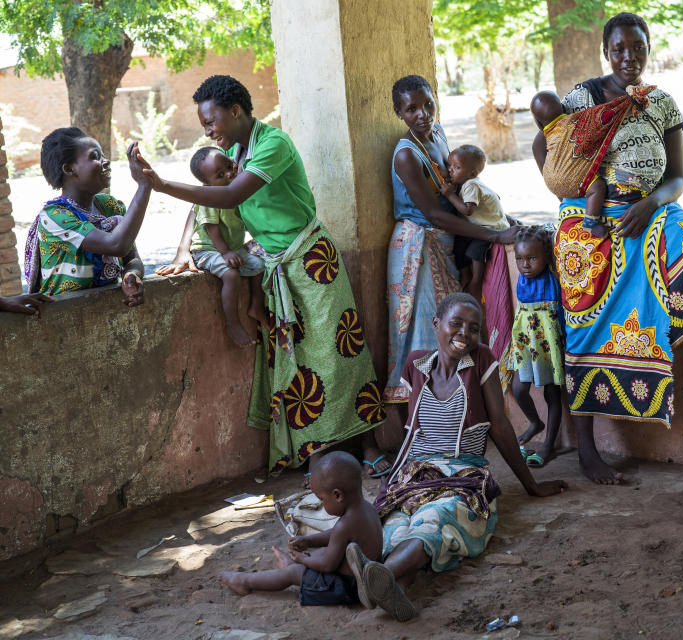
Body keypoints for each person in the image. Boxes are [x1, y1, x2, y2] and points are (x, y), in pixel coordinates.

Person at [532, 12, 683, 484]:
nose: (629, 57)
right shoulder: (583, 98)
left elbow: (678, 179)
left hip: (650, 210)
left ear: (649, 49)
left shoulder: (660, 103)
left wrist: (651, 203)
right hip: (591, 216)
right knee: (584, 319)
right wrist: (574, 191)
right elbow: (544, 146)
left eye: (638, 47)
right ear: (606, 53)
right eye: (619, 49)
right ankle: (587, 450)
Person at [138, 75, 389, 477]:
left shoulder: (272, 145)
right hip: (274, 264)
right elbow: (206, 203)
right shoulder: (235, 151)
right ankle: (316, 453)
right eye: (204, 125)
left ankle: (369, 444)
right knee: (295, 360)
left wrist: (164, 185)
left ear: (235, 111)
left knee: (340, 354)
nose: (207, 131)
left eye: (210, 122)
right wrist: (184, 252)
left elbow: (231, 196)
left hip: (310, 259)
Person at [345, 293, 567, 622]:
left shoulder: (481, 361)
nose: (465, 333)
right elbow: (411, 433)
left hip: (463, 476)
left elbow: (502, 429)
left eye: (474, 328)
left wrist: (531, 485)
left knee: (437, 518)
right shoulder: (417, 364)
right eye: (456, 324)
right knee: (397, 526)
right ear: (436, 325)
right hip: (416, 475)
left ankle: (382, 576)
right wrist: (389, 487)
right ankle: (395, 586)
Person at [386, 75, 519, 405]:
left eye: (428, 104)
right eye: (411, 109)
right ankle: (422, 428)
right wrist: (495, 234)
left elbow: (460, 191)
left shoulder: (439, 134)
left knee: (451, 336)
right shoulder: (406, 155)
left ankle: (451, 419)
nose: (422, 114)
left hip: (444, 243)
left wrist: (497, 216)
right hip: (417, 249)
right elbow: (435, 214)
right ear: (398, 112)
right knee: (424, 338)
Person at [219, 451, 382, 606]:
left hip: (345, 588)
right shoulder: (368, 509)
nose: (322, 504)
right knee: (320, 552)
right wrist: (309, 540)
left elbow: (327, 565)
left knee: (292, 573)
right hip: (362, 577)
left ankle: (245, 581)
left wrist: (301, 559)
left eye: (322, 499)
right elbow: (337, 536)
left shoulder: (345, 524)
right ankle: (294, 566)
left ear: (338, 495)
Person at [23, 129, 150, 307]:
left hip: (106, 313)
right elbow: (116, 245)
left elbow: (132, 257)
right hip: (63, 319)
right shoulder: (55, 216)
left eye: (104, 155)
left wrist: (132, 274)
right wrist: (144, 186)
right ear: (69, 169)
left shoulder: (110, 206)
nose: (106, 161)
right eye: (95, 156)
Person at [187, 146, 267, 347]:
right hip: (207, 249)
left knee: (260, 265)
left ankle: (256, 305)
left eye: (229, 166)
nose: (230, 174)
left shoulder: (237, 191)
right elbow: (212, 228)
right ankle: (233, 324)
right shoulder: (209, 197)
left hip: (230, 248)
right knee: (231, 275)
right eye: (220, 175)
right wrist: (226, 253)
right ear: (207, 184)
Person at [505, 226, 566, 468]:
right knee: (519, 388)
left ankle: (548, 444)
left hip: (548, 344)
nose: (525, 265)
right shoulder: (522, 278)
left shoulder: (552, 275)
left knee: (552, 394)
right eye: (519, 259)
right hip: (525, 342)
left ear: (546, 257)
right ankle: (535, 423)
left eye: (532, 258)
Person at [529, 90, 608, 235]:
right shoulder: (575, 122)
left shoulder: (545, 135)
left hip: (552, 180)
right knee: (597, 187)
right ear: (564, 108)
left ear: (539, 124)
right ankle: (590, 223)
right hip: (574, 178)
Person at [439, 144, 510, 302]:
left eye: (456, 167)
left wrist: (450, 195)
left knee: (475, 251)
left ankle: (476, 280)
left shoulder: (471, 184)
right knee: (459, 247)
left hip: (490, 228)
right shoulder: (467, 183)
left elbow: (467, 210)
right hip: (477, 227)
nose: (450, 170)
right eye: (450, 165)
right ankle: (465, 275)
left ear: (472, 173)